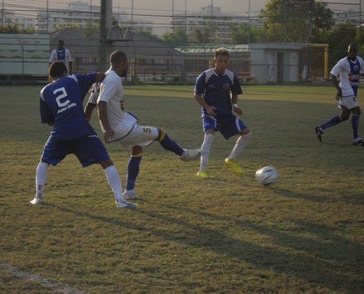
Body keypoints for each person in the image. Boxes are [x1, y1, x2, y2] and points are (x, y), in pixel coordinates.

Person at [85, 50, 200, 200]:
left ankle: (130, 192)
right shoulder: (113, 79)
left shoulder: (102, 79)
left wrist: (84, 126)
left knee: (137, 150)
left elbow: (89, 106)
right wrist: (107, 128)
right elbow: (101, 103)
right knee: (160, 133)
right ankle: (183, 154)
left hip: (119, 127)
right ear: (124, 62)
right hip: (120, 129)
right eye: (128, 64)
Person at [30, 61, 136, 210]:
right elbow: (100, 76)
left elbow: (49, 121)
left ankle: (38, 196)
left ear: (50, 77)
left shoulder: (44, 92)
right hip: (82, 130)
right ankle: (120, 200)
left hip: (60, 132)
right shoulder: (73, 79)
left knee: (44, 161)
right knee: (106, 162)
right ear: (65, 72)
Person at [194, 47, 251, 178]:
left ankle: (231, 160)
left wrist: (235, 106)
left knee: (247, 134)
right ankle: (202, 170)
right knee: (209, 137)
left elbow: (235, 93)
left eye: (225, 61)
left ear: (228, 62)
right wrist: (207, 107)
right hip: (211, 114)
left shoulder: (231, 76)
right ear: (215, 60)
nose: (222, 64)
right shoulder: (205, 75)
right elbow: (197, 95)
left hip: (226, 114)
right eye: (220, 61)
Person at [315, 43, 364, 146]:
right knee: (357, 112)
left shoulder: (360, 60)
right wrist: (339, 90)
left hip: (352, 92)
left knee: (344, 116)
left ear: (357, 51)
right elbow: (333, 76)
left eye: (354, 50)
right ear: (347, 51)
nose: (352, 52)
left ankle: (320, 128)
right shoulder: (342, 62)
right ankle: (356, 139)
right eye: (350, 50)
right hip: (346, 92)